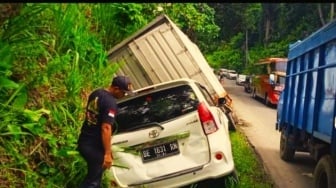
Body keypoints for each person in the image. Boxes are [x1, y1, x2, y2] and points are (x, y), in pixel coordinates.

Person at [77, 75, 133, 188]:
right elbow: (106, 127)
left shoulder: (96, 93)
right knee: (92, 183)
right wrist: (107, 153)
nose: (124, 95)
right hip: (93, 146)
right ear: (116, 89)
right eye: (123, 92)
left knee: (95, 180)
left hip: (84, 140)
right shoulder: (110, 102)